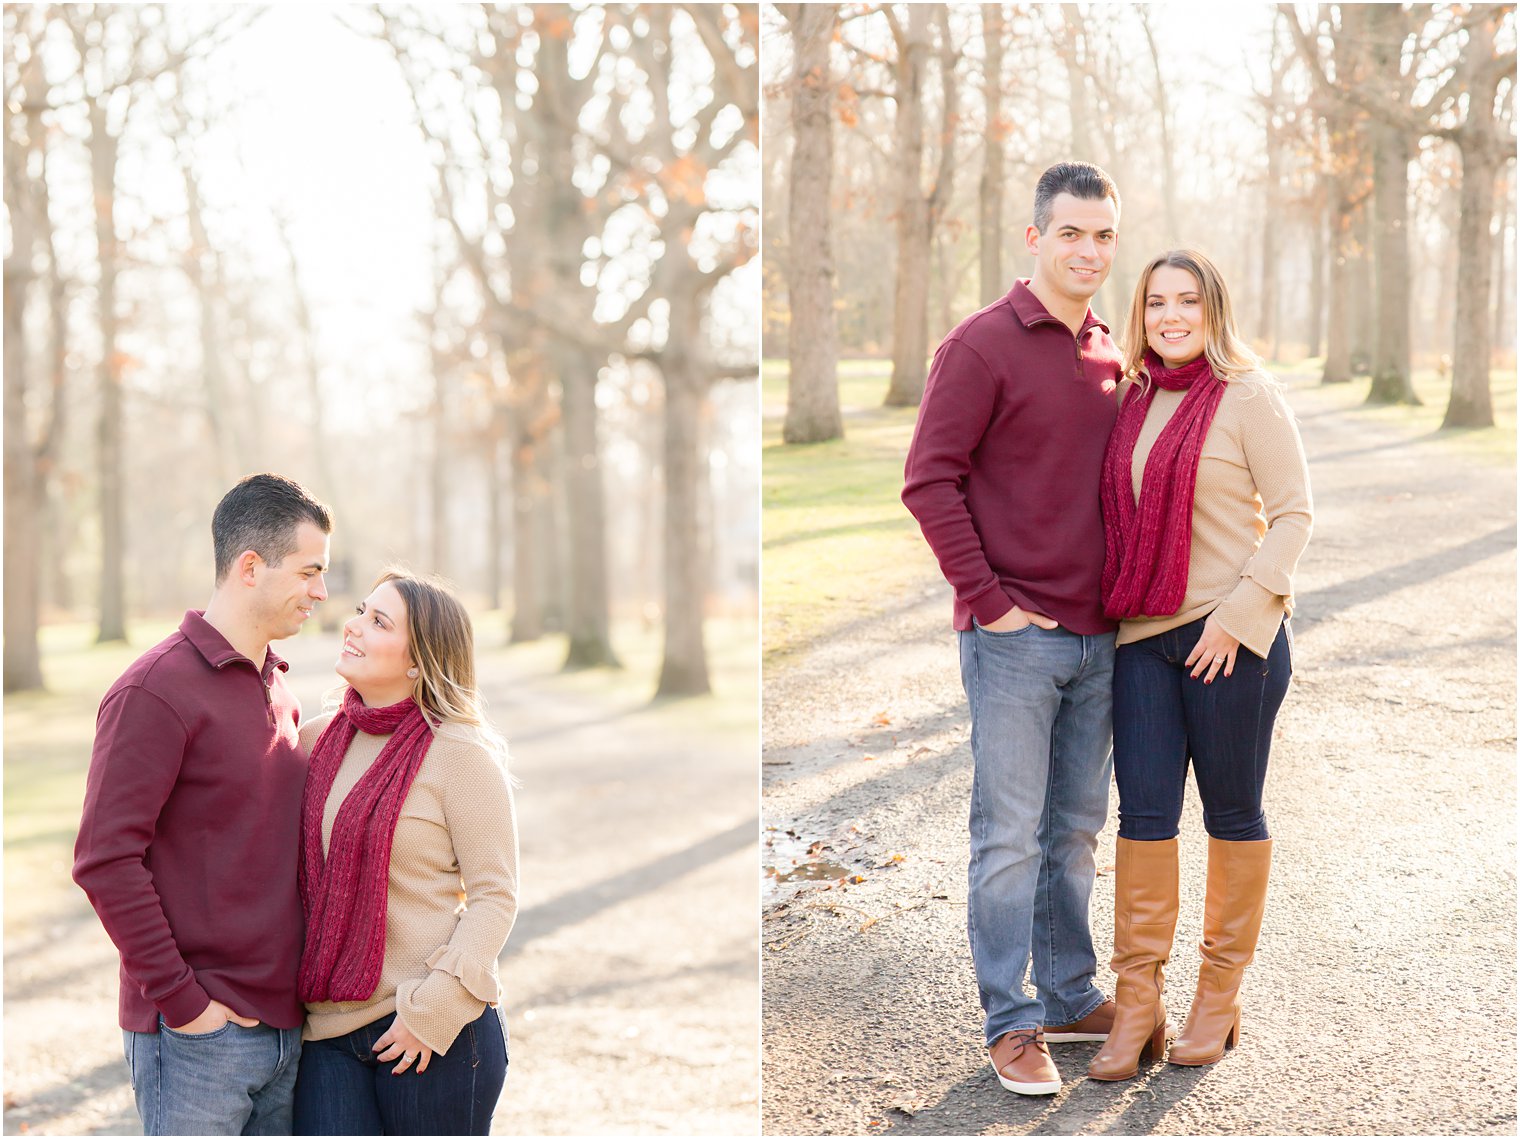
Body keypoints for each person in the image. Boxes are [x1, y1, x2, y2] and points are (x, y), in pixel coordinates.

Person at [902, 161, 1125, 1097]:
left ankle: (1069, 994)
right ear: (1034, 238)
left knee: (1075, 827)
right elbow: (927, 480)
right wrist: (990, 603)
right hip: (1015, 638)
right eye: (1071, 232)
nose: (1088, 250)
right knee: (1008, 834)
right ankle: (1010, 1018)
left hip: (1102, 637)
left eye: (1104, 235)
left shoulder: (1115, 351)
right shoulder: (982, 345)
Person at [1086, 249, 1312, 1082]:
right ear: (1139, 316)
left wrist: (1242, 615)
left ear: (1213, 310)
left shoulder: (1251, 396)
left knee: (1231, 811)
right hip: (1143, 638)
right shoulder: (1129, 398)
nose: (1171, 316)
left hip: (1233, 643)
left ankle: (1218, 996)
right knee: (1143, 815)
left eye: (1187, 301)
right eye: (1155, 304)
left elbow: (1293, 515)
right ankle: (1138, 1000)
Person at [74, 473, 333, 1135]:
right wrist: (187, 1005)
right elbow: (105, 860)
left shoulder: (280, 688)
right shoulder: (155, 691)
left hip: (284, 1027)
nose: (322, 591)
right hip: (199, 1037)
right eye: (309, 571)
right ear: (251, 567)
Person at [292, 570, 518, 1136]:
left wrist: (434, 1008)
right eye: (362, 611)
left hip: (431, 1028)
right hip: (325, 1032)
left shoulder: (460, 753)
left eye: (379, 621)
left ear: (419, 660)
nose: (354, 626)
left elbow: (495, 896)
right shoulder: (316, 742)